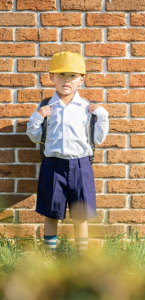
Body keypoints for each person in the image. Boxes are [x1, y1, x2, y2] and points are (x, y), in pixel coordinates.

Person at [26, 51, 109, 256]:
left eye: (72, 76)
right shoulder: (45, 106)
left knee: (81, 216)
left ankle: (82, 259)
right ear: (51, 77)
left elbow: (97, 140)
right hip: (53, 165)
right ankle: (48, 257)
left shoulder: (87, 108)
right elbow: (35, 137)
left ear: (81, 80)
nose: (66, 80)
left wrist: (103, 117)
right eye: (61, 75)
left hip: (81, 165)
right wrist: (37, 117)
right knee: (51, 214)